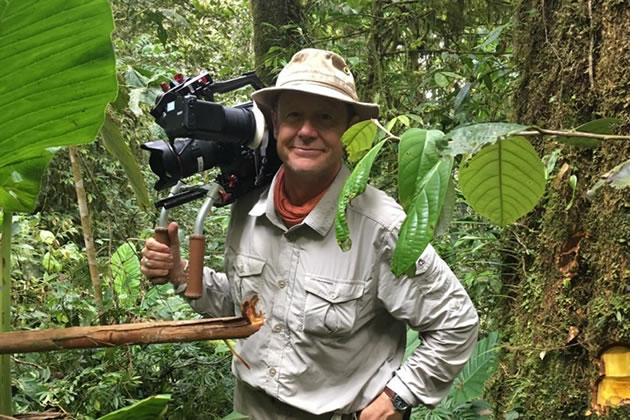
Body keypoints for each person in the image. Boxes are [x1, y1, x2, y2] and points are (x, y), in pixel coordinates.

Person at [140, 48, 479, 420]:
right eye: (294, 116)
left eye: (324, 117)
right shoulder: (248, 207)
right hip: (254, 410)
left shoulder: (379, 226)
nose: (306, 131)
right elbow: (245, 306)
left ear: (347, 128)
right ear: (275, 123)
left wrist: (398, 397)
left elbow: (456, 322)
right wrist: (178, 271)